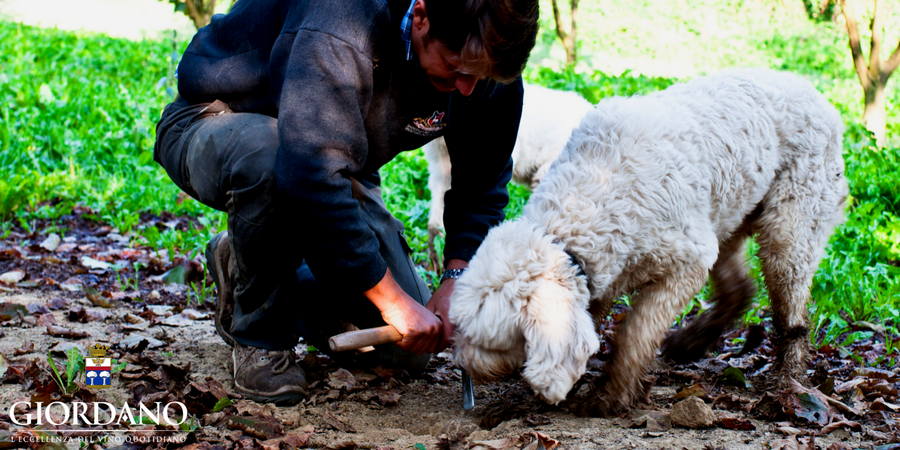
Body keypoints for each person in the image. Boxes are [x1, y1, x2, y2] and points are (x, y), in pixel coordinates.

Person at [153, 0, 539, 404]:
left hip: (331, 155)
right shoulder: (342, 21)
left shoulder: (485, 63)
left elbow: (482, 185)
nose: (467, 89)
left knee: (401, 351)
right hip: (218, 119)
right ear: (422, 17)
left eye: (481, 77)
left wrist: (457, 279)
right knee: (272, 158)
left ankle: (247, 259)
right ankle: (259, 337)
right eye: (457, 69)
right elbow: (309, 177)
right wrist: (391, 300)